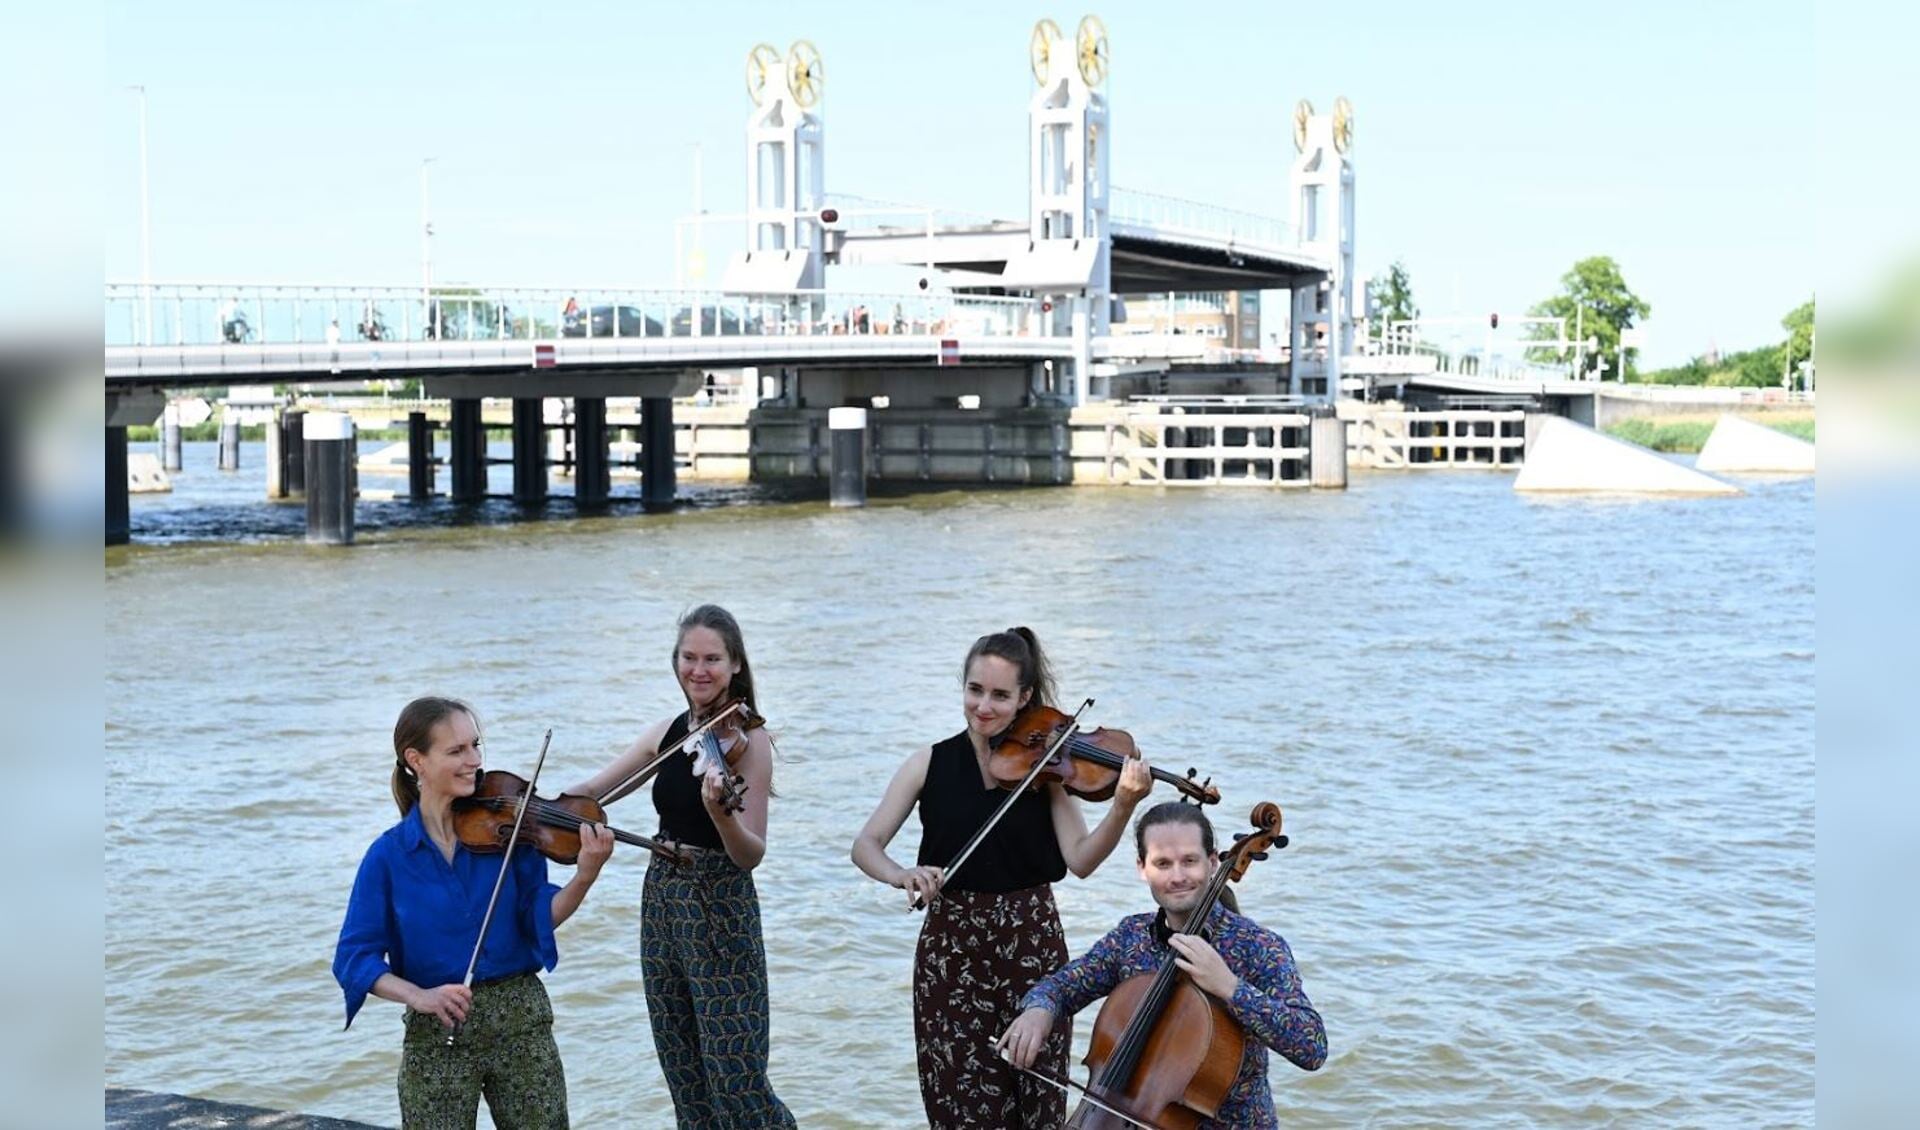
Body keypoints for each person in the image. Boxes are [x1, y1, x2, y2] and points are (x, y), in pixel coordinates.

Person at [851, 627, 1154, 1128]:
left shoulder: (1046, 770)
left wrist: (1122, 806)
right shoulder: (929, 763)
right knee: (960, 1107)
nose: (984, 707)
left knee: (1037, 1109)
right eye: (975, 690)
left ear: (1024, 698)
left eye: (999, 695)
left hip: (1031, 950)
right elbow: (865, 846)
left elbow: (1081, 859)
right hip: (950, 960)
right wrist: (900, 873)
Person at [333, 696, 615, 1129]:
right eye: (457, 751)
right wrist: (420, 997)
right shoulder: (388, 856)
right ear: (416, 761)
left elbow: (537, 915)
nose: (475, 761)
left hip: (520, 1020)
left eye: (476, 746)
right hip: (438, 1030)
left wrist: (584, 877)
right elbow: (355, 959)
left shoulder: (511, 833)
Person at [566, 605, 794, 1129]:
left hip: (720, 906)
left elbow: (750, 853)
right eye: (689, 657)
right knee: (683, 1069)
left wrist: (723, 817)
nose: (699, 669)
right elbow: (595, 791)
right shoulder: (666, 733)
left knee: (736, 1078)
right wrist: (524, 803)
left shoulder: (749, 740)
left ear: (735, 664)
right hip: (664, 902)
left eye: (712, 658)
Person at [997, 802, 1328, 1129]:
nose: (1178, 876)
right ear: (1142, 868)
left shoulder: (1257, 946)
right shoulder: (1131, 937)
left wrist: (1230, 987)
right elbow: (1062, 985)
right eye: (1163, 863)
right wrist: (1038, 1010)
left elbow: (1311, 1046)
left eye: (1190, 861)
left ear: (1213, 863)